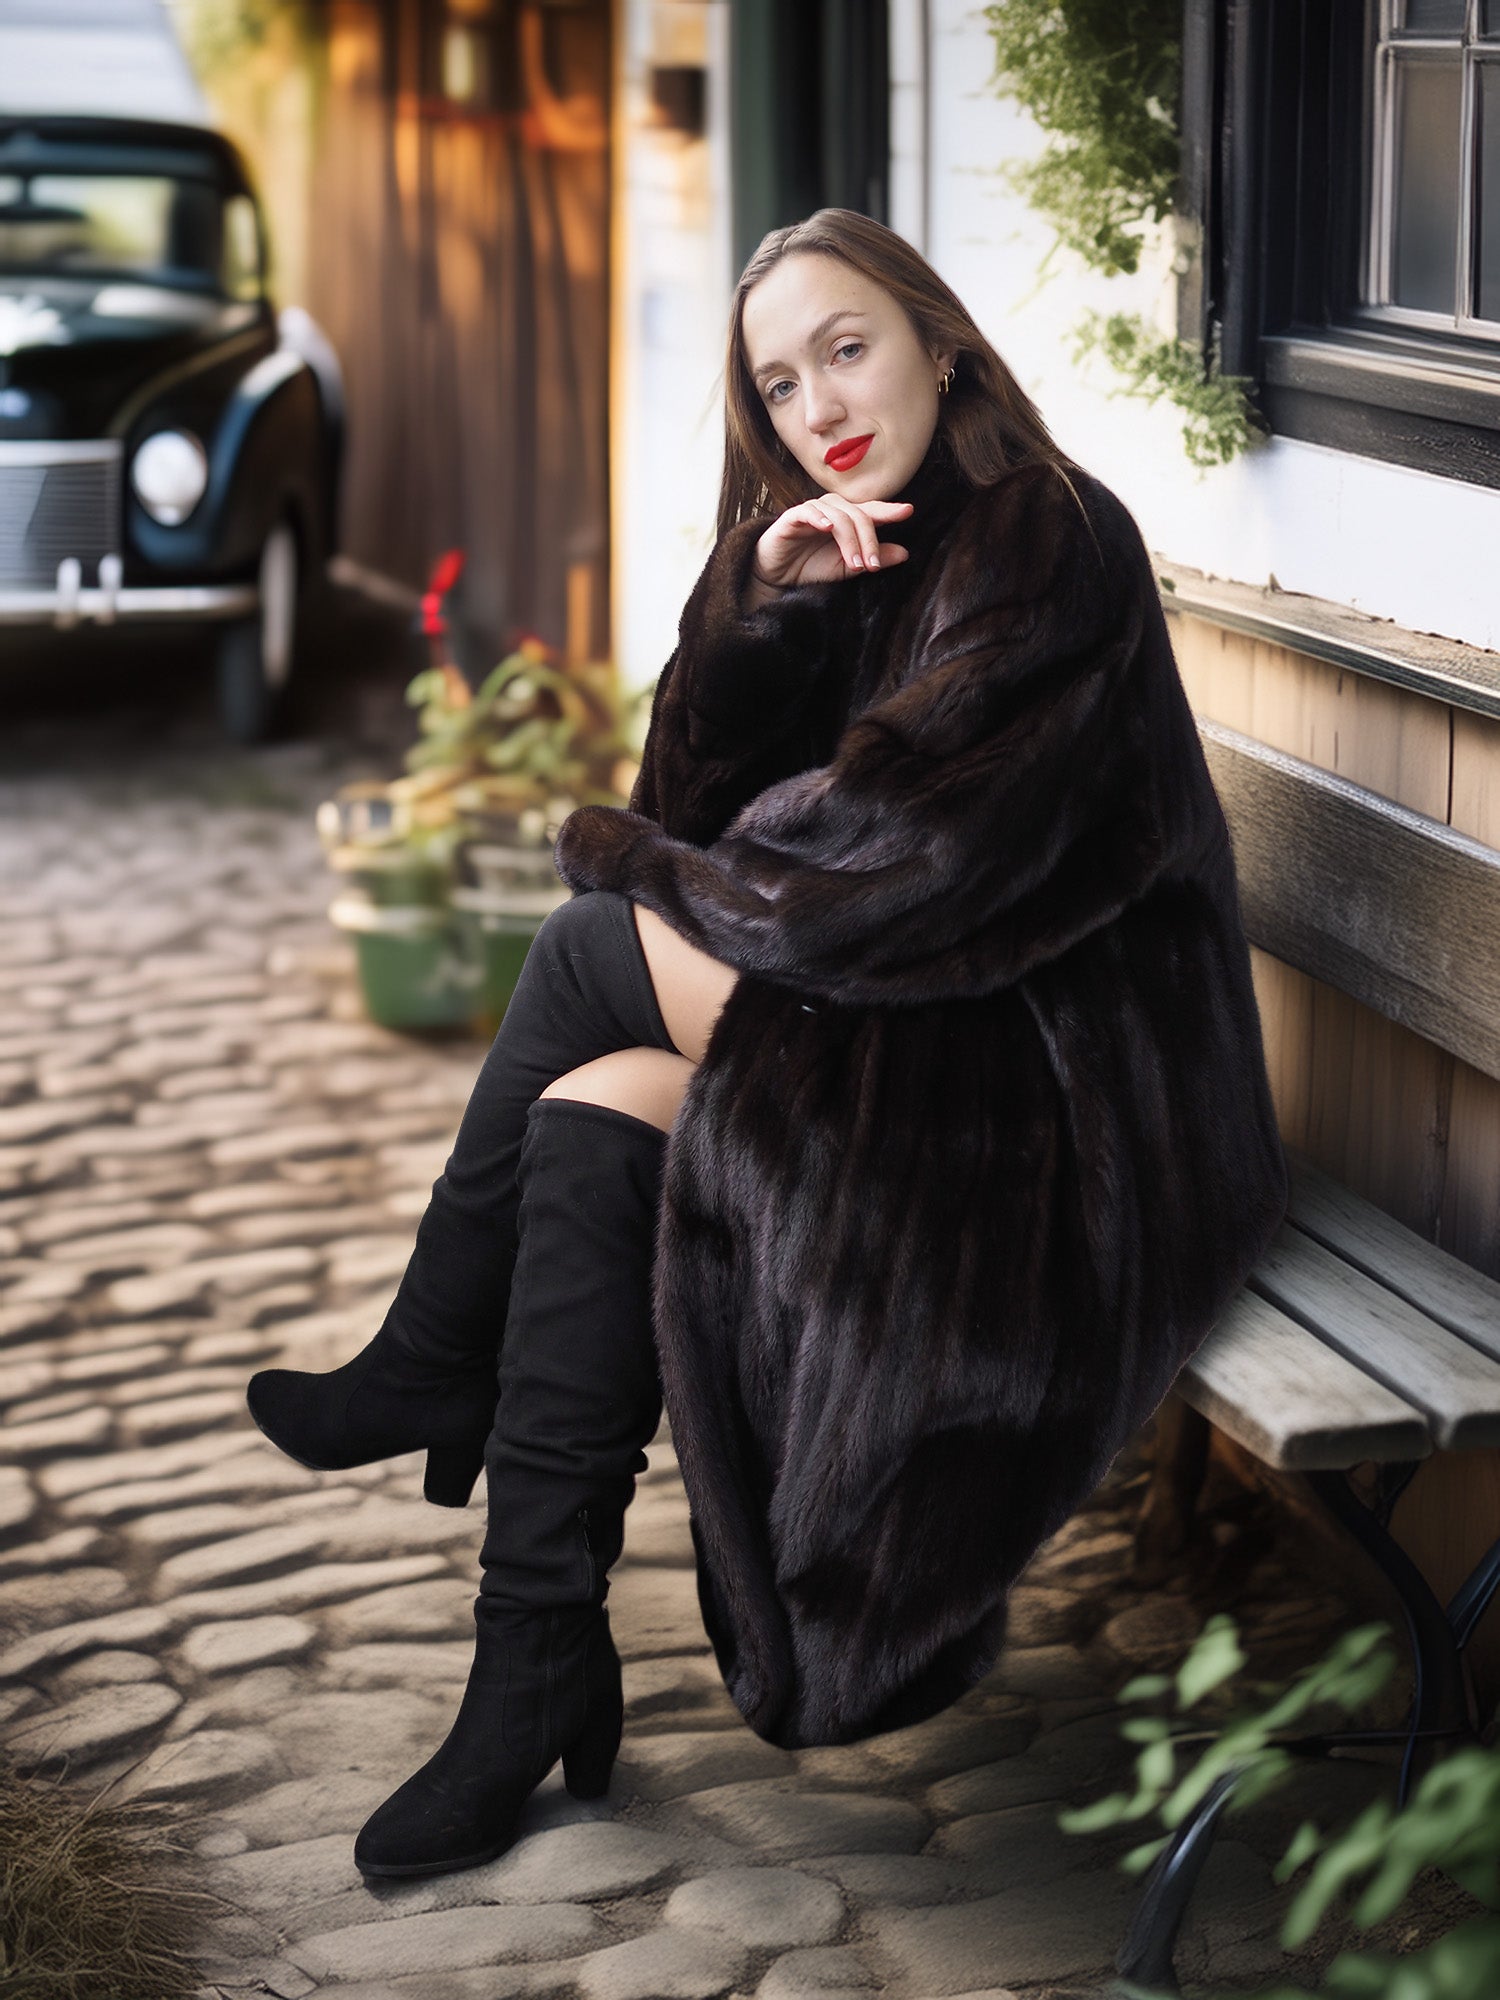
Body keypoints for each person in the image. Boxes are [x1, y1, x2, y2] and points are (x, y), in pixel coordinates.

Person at [247, 208, 1287, 1882]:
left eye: (849, 349)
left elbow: (897, 868)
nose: (821, 404)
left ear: (940, 339)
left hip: (1072, 1096)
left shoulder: (1049, 537)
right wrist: (757, 620)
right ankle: (532, 1664)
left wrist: (637, 870)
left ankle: (438, 1346)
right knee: (592, 1115)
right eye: (781, 382)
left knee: (593, 938)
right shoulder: (856, 546)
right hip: (922, 1032)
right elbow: (707, 826)